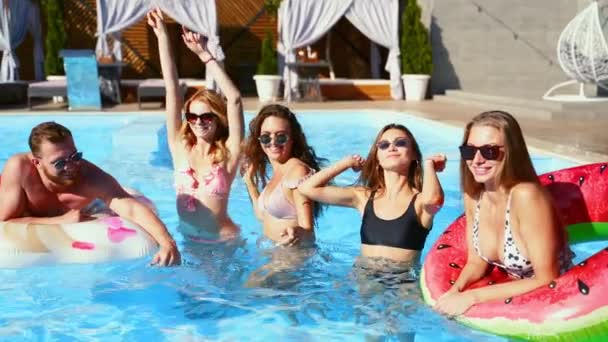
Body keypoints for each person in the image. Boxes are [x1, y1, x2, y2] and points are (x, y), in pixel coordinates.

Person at [435, 110, 573, 317]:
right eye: (469, 151)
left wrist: (473, 297)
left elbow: (547, 278)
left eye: (490, 151)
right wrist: (454, 291)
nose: (477, 160)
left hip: (557, 309)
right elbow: (476, 261)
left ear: (511, 152)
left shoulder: (526, 196)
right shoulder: (473, 195)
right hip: (514, 306)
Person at [0, 122, 180, 266]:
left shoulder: (89, 177)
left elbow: (131, 208)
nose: (71, 167)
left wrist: (167, 243)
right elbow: (5, 221)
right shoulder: (19, 170)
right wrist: (58, 221)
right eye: (59, 163)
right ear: (37, 163)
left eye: (75, 157)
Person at [298, 123, 446, 284]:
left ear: (414, 155)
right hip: (364, 280)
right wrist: (346, 163)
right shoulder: (364, 197)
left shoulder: (419, 202)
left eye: (401, 143)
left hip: (402, 285)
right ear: (377, 158)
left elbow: (434, 201)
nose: (392, 148)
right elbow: (307, 188)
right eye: (384, 145)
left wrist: (429, 165)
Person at [147, 8, 244, 241]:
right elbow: (172, 89)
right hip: (188, 239)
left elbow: (235, 99)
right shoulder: (179, 147)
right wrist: (162, 37)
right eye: (192, 117)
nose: (198, 122)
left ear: (218, 118)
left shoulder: (229, 152)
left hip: (223, 243)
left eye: (206, 117)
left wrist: (205, 56)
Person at [242, 104, 324, 247]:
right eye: (266, 137)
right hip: (273, 252)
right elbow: (263, 216)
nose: (273, 142)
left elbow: (308, 231)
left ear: (292, 139)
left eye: (281, 137)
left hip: (292, 257)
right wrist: (250, 183)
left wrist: (296, 232)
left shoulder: (297, 171)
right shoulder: (279, 171)